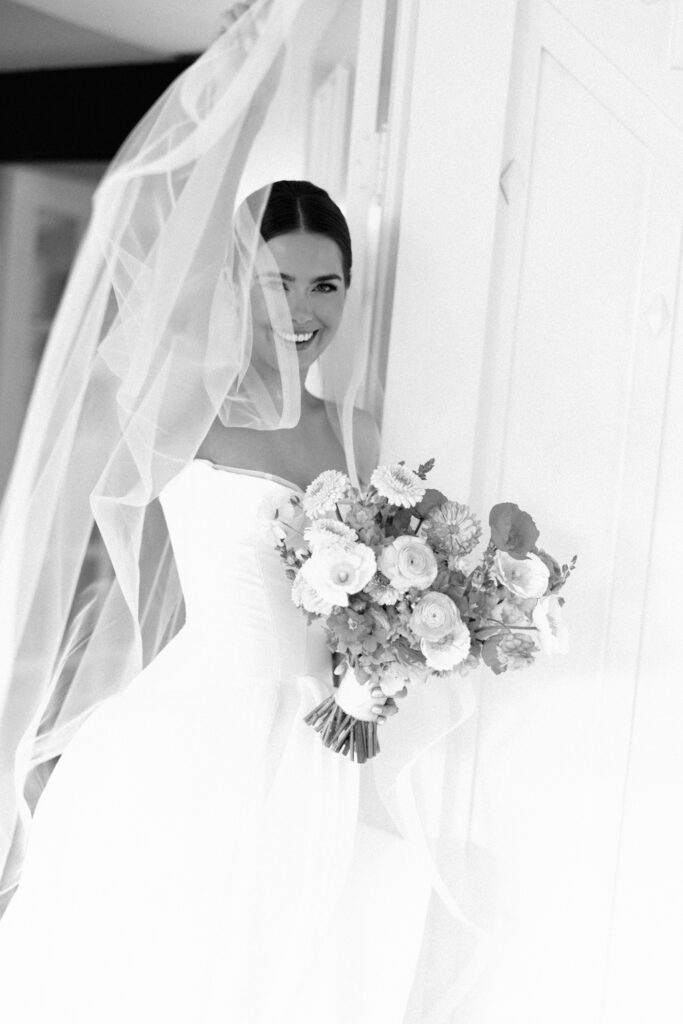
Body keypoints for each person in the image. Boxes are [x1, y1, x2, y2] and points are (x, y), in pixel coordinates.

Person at [0, 1, 487, 1020]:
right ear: (235, 281)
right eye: (277, 284)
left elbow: (364, 603)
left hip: (328, 738)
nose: (301, 312)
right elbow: (160, 236)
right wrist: (244, 74)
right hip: (203, 729)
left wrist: (380, 664)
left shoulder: (356, 430)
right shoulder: (185, 412)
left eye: (326, 285)